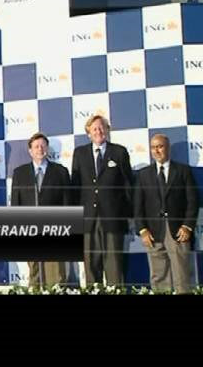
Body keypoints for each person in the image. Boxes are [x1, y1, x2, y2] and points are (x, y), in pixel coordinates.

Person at [71, 115, 133, 287]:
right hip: (87, 219)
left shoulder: (119, 152)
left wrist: (127, 215)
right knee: (91, 265)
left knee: (114, 265)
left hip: (113, 218)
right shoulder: (80, 153)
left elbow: (128, 185)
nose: (98, 131)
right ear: (88, 133)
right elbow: (75, 186)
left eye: (101, 127)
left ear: (107, 130)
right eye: (94, 129)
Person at [134, 134, 199, 293]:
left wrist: (187, 226)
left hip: (178, 232)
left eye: (160, 146)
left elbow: (193, 201)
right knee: (159, 277)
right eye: (153, 147)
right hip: (153, 234)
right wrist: (142, 230)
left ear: (168, 148)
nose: (156, 151)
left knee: (182, 277)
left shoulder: (183, 171)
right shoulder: (143, 174)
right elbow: (138, 206)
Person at [11, 132, 71, 288]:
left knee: (56, 273)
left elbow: (67, 202)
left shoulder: (61, 171)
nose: (40, 149)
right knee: (34, 271)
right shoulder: (19, 173)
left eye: (43, 146)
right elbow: (16, 204)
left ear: (47, 149)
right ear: (30, 151)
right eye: (36, 146)